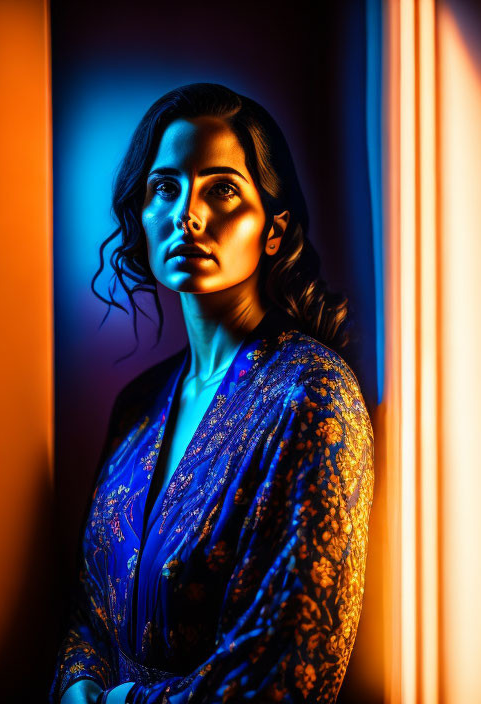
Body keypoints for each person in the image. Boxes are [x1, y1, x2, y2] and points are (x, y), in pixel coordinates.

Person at [50, 83, 374, 704]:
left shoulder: (312, 397)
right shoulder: (137, 406)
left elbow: (292, 666)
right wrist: (80, 684)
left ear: (273, 230)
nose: (187, 214)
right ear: (141, 216)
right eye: (164, 187)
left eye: (220, 188)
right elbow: (87, 614)